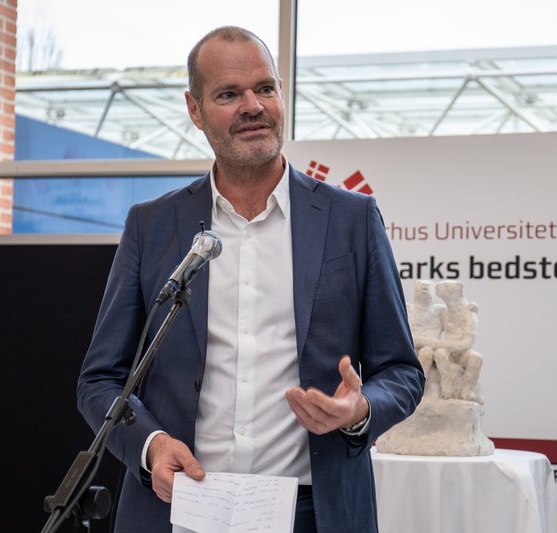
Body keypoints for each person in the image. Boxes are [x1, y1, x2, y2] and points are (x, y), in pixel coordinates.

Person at [77, 26, 424, 533]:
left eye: (265, 88)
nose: (253, 106)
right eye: (228, 94)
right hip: (178, 507)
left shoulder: (352, 219)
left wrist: (361, 409)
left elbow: (402, 371)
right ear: (195, 109)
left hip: (315, 512)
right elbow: (101, 380)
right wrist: (151, 446)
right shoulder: (152, 226)